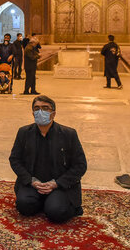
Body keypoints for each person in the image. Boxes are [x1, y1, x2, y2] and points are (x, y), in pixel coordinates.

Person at [9, 95, 87, 223]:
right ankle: (45, 201)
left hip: (60, 185)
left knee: (56, 213)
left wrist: (57, 183)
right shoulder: (24, 132)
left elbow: (80, 165)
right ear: (33, 113)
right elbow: (15, 159)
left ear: (53, 113)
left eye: (45, 108)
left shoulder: (68, 134)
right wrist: (31, 181)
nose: (40, 112)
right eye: (37, 108)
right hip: (33, 183)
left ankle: (57, 204)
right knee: (24, 206)